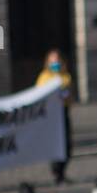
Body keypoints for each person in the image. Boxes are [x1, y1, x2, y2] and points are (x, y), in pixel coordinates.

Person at [35, 49, 73, 184]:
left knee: (67, 144)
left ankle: (62, 172)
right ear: (48, 62)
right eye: (52, 61)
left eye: (57, 60)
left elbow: (68, 95)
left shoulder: (65, 76)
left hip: (63, 112)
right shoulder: (44, 77)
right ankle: (56, 172)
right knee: (55, 143)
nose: (55, 63)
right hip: (51, 115)